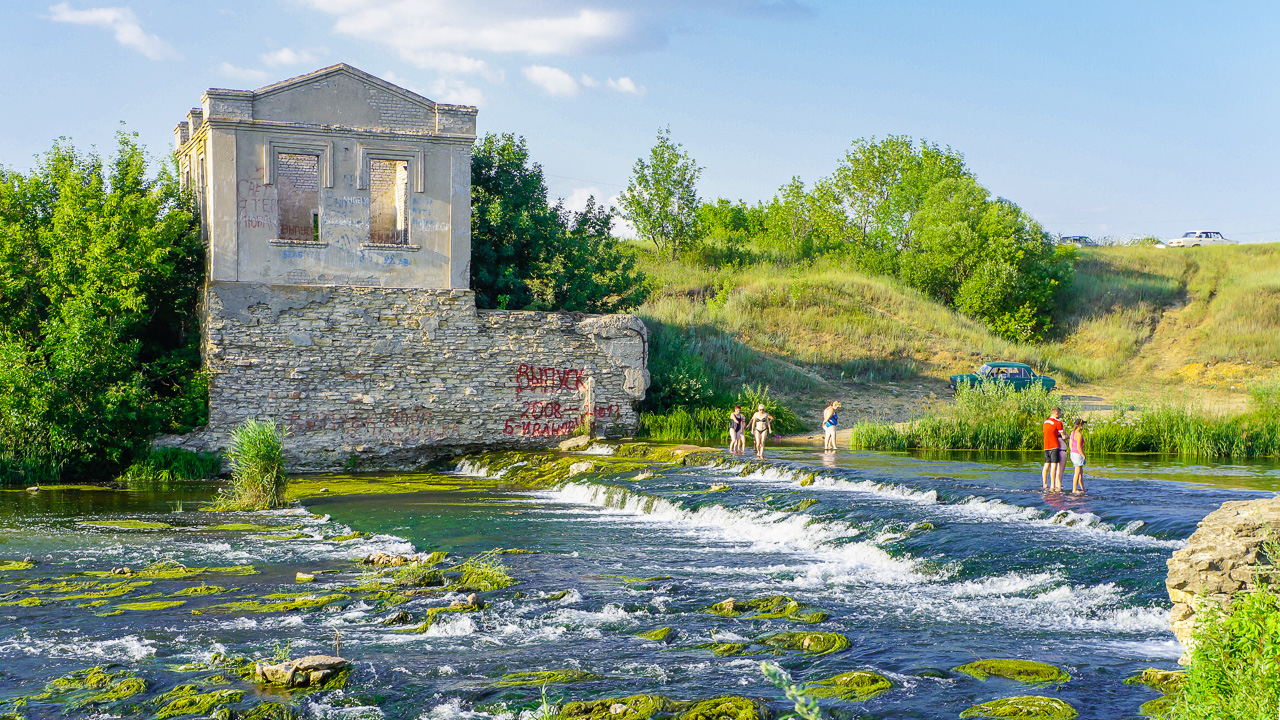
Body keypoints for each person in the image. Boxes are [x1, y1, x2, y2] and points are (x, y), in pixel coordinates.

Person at [1042, 407, 1065, 492]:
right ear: (1056, 414)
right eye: (1059, 413)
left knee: (1046, 465)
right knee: (1054, 465)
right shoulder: (1058, 422)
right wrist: (1068, 437)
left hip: (1046, 446)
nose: (1060, 415)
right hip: (1054, 445)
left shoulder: (1046, 421)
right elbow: (1063, 435)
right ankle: (1052, 485)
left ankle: (1044, 483)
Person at [1069, 418, 1087, 493]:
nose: (1083, 426)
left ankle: (1083, 488)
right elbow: (1079, 447)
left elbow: (1070, 445)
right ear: (1080, 425)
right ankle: (1074, 489)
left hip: (1072, 453)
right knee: (1077, 472)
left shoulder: (1072, 433)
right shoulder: (1079, 434)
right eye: (1082, 424)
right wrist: (1083, 455)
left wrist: (1072, 451)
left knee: (1080, 472)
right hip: (1078, 454)